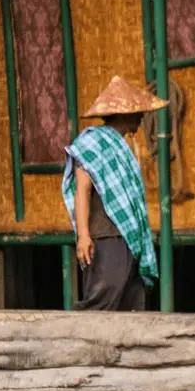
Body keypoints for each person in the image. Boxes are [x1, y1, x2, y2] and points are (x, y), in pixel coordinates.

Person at [62, 76, 162, 311]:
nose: (141, 116)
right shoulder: (92, 142)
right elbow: (82, 189)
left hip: (128, 237)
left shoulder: (121, 147)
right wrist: (84, 236)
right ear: (125, 113)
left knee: (132, 304)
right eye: (137, 112)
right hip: (106, 237)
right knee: (102, 300)